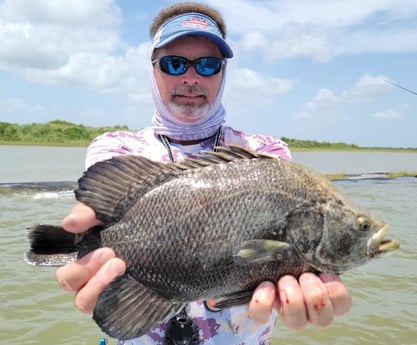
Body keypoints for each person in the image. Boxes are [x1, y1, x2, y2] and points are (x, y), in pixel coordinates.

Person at [56, 2, 352, 344]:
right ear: (153, 70)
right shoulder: (116, 148)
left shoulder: (268, 155)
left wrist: (318, 275)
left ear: (224, 72)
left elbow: (283, 251)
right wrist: (81, 245)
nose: (191, 78)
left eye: (208, 65)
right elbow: (100, 207)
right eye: (174, 63)